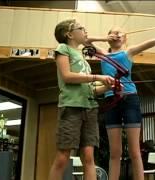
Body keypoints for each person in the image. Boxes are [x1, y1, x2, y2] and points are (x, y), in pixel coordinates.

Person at [87, 26, 155, 180]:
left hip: (129, 99)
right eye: (113, 33)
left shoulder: (128, 52)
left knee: (135, 151)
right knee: (115, 152)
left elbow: (153, 42)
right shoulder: (102, 54)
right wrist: (104, 39)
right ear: (108, 37)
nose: (117, 35)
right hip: (111, 100)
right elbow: (86, 41)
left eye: (120, 33)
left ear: (125, 39)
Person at [48, 19, 115, 180]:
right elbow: (67, 76)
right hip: (71, 107)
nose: (85, 30)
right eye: (81, 28)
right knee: (63, 156)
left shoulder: (83, 58)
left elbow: (91, 89)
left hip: (90, 108)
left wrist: (107, 86)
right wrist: (98, 76)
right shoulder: (63, 49)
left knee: (89, 158)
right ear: (69, 34)